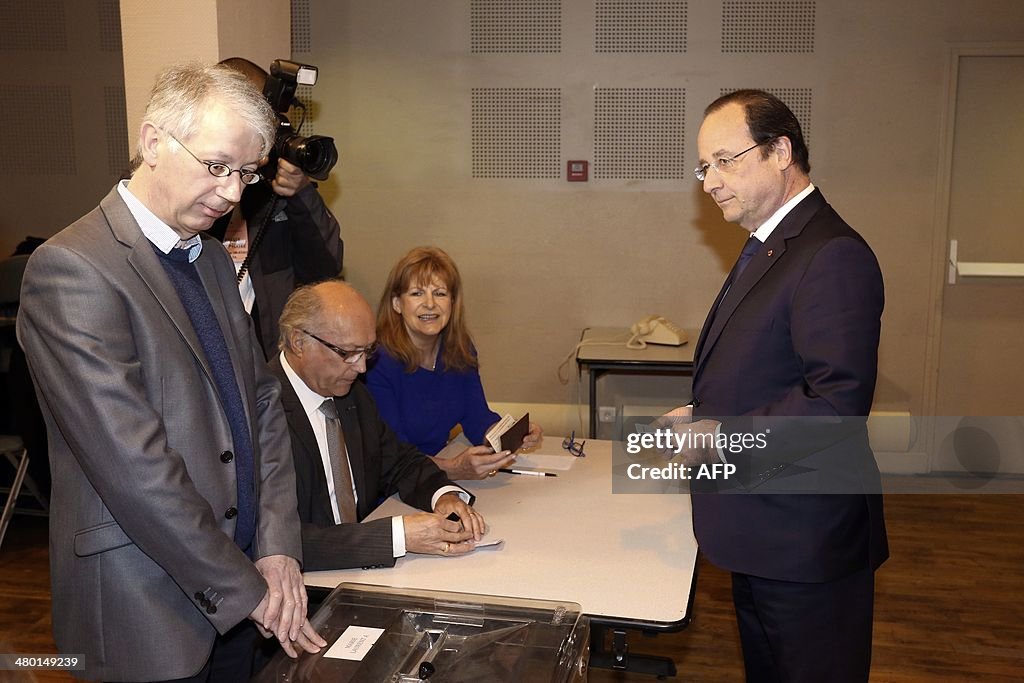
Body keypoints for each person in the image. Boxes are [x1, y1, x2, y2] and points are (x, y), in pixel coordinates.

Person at [16, 63, 325, 682]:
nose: (235, 193)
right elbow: (134, 466)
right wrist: (243, 586)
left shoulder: (209, 257)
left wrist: (277, 547)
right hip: (147, 606)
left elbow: (261, 403)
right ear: (153, 142)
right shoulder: (72, 270)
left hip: (243, 589)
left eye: (248, 173)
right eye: (218, 166)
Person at [665, 90, 888, 682]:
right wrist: (701, 414)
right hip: (763, 532)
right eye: (704, 167)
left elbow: (836, 405)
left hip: (804, 543)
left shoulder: (831, 253)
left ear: (780, 151)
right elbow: (769, 370)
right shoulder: (773, 244)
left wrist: (723, 434)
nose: (710, 182)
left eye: (724, 160)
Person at [271, 280, 487, 571]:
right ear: (299, 341)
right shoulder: (259, 410)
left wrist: (443, 495)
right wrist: (399, 536)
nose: (361, 367)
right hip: (303, 588)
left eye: (367, 352)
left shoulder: (352, 393)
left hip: (360, 573)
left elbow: (399, 462)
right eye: (348, 353)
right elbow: (278, 542)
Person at [367, 246, 541, 480]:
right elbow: (392, 455)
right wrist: (453, 468)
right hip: (393, 486)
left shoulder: (459, 350)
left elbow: (477, 417)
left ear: (452, 302)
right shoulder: (378, 363)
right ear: (397, 304)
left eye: (439, 293)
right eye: (417, 293)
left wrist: (514, 435)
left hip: (435, 477)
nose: (430, 304)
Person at [210, 57, 343, 360]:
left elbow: (326, 267)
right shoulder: (200, 183)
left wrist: (300, 194)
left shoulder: (277, 192)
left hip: (270, 360)